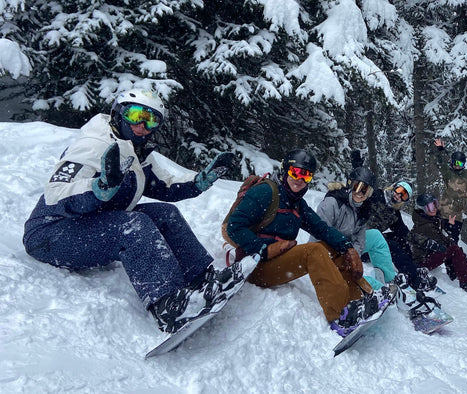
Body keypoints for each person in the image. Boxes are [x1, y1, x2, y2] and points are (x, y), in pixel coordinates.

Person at [23, 88, 252, 334]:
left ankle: (202, 280)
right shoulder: (94, 144)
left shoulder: (133, 149)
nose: (142, 125)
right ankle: (169, 305)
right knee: (133, 225)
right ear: (119, 113)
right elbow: (55, 191)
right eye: (136, 115)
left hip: (89, 223)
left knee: (165, 214)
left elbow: (162, 185)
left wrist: (200, 181)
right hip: (51, 233)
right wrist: (98, 188)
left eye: (152, 120)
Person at [225, 149, 396, 337]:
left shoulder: (297, 203)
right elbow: (234, 226)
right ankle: (341, 315)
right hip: (255, 266)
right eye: (295, 172)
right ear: (285, 170)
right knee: (313, 251)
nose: (299, 179)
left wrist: (348, 248)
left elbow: (322, 229)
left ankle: (358, 301)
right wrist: (263, 249)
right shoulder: (265, 192)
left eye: (305, 175)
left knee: (334, 249)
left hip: (278, 262)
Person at [366, 180, 437, 292]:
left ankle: (411, 269)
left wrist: (427, 242)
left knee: (400, 239)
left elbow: (405, 233)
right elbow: (360, 193)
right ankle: (414, 280)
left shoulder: (394, 212)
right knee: (393, 246)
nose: (398, 195)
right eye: (399, 191)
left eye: (403, 196)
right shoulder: (376, 195)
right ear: (393, 187)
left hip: (375, 241)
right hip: (363, 243)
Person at [411, 192, 467, 292]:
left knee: (452, 248)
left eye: (435, 204)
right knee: (453, 249)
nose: (434, 208)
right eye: (430, 207)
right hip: (421, 263)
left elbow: (443, 236)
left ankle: (454, 272)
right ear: (422, 209)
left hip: (426, 256)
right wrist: (451, 233)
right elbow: (443, 242)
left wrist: (449, 229)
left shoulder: (430, 219)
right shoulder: (425, 226)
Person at [434, 138, 467, 243]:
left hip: (457, 214)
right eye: (455, 163)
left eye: (460, 164)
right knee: (443, 237)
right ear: (452, 163)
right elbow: (442, 163)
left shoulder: (466, 174)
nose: (457, 166)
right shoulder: (448, 174)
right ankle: (443, 255)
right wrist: (440, 150)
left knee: (454, 238)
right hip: (445, 212)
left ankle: (452, 255)